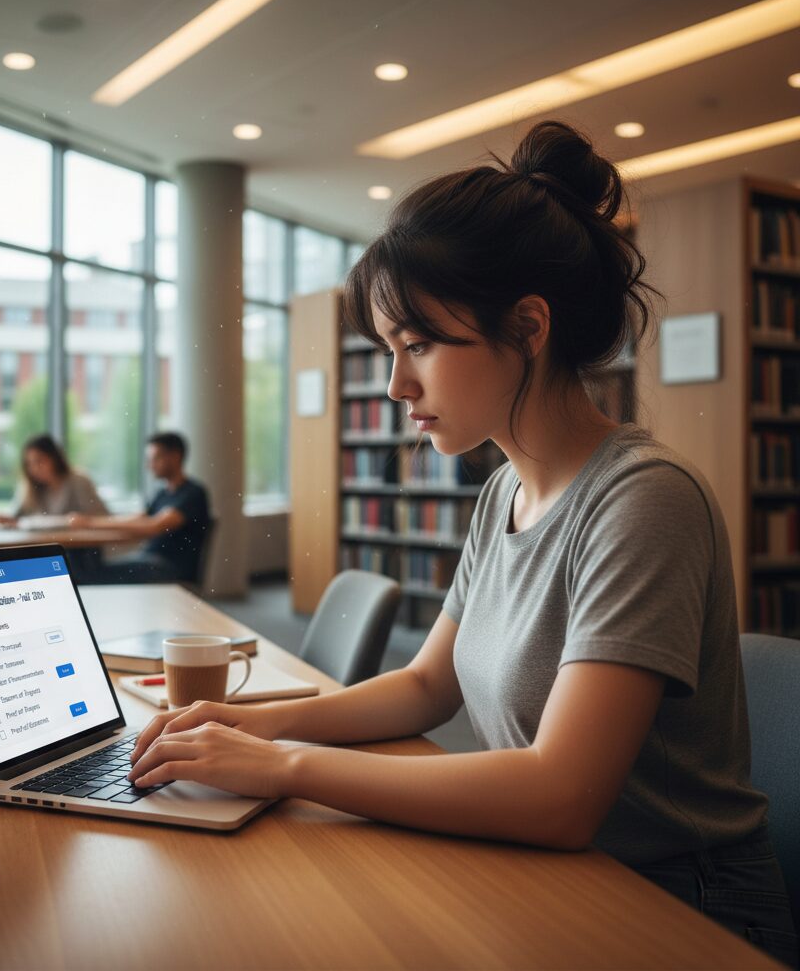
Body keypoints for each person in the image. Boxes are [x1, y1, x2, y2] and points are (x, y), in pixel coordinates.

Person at [125, 122, 798, 966]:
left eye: (420, 345)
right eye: (390, 349)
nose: (398, 385)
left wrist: (285, 766)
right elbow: (424, 685)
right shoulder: (504, 490)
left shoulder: (644, 500)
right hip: (559, 877)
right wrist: (248, 722)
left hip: (679, 909)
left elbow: (560, 795)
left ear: (528, 327)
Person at [69, 432, 211, 584]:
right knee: (86, 568)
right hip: (151, 561)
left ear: (175, 457)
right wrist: (93, 521)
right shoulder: (163, 493)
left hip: (170, 569)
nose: (149, 465)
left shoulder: (192, 493)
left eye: (155, 458)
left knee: (88, 574)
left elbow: (154, 526)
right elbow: (140, 518)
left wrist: (91, 524)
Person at [0, 434, 107, 526]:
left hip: (81, 548)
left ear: (55, 459)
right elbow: (15, 516)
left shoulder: (78, 481)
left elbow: (101, 517)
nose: (34, 468)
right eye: (29, 464)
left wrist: (83, 521)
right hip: (44, 546)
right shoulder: (30, 488)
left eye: (39, 461)